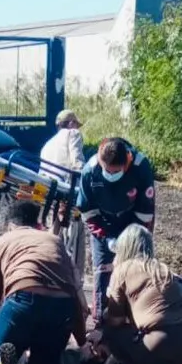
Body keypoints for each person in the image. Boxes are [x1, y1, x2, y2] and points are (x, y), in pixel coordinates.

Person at [0, 200, 93, 364]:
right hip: (63, 306)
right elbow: (74, 293)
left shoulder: (2, 242)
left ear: (9, 226)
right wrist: (82, 342)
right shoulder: (54, 241)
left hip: (24, 299)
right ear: (36, 224)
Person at [87, 224, 182, 364]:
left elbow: (115, 319)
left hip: (160, 343)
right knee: (161, 327)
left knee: (110, 329)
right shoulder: (162, 269)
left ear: (124, 248)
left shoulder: (123, 269)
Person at [77, 137, 156, 329]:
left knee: (137, 271)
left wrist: (129, 240)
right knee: (102, 271)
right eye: (108, 170)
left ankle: (136, 319)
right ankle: (100, 322)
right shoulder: (90, 171)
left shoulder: (140, 167)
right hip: (103, 222)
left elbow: (145, 212)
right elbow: (87, 211)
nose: (111, 174)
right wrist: (105, 237)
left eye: (116, 171)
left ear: (127, 162)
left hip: (133, 221)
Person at [39, 110, 88, 290]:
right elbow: (77, 163)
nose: (76, 127)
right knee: (74, 249)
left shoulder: (46, 146)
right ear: (70, 124)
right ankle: (72, 289)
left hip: (50, 199)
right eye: (75, 124)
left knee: (53, 241)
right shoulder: (73, 134)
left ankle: (50, 281)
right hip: (68, 198)